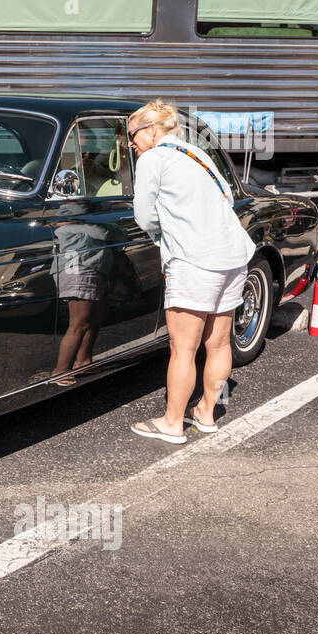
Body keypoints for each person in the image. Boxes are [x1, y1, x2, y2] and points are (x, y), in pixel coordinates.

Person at [129, 100, 256, 444]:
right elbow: (227, 198)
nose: (131, 144)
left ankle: (172, 423)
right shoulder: (197, 154)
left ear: (151, 130)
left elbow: (143, 216)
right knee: (217, 345)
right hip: (233, 256)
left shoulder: (153, 158)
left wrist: (163, 233)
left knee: (183, 347)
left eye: (133, 135)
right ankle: (206, 412)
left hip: (195, 259)